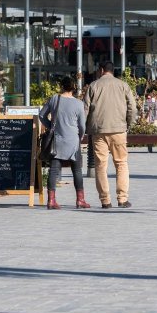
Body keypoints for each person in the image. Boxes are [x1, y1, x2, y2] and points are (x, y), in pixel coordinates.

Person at [84, 61, 138, 209]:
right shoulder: (123, 85)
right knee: (121, 163)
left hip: (98, 131)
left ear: (101, 70)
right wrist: (128, 124)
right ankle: (122, 199)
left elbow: (85, 110)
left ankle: (105, 201)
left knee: (101, 166)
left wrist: (84, 128)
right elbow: (132, 108)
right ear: (112, 71)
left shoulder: (93, 86)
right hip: (119, 130)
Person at [38, 76, 88, 210]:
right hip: (73, 141)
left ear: (62, 86)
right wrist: (80, 136)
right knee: (77, 170)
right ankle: (80, 200)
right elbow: (82, 125)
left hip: (57, 140)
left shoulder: (55, 99)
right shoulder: (78, 104)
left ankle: (51, 200)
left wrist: (50, 126)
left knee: (53, 170)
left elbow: (42, 115)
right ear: (73, 88)